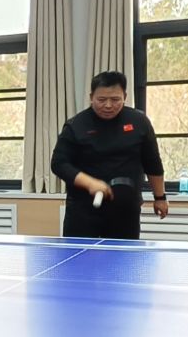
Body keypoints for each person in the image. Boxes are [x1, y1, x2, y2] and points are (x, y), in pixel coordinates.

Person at [51, 71, 168, 238]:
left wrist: (160, 197)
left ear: (125, 96)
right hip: (83, 211)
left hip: (125, 210)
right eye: (101, 99)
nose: (108, 105)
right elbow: (59, 163)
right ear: (91, 97)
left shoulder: (139, 122)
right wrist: (90, 183)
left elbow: (152, 162)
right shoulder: (76, 125)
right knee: (80, 254)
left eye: (115, 99)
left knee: (122, 254)